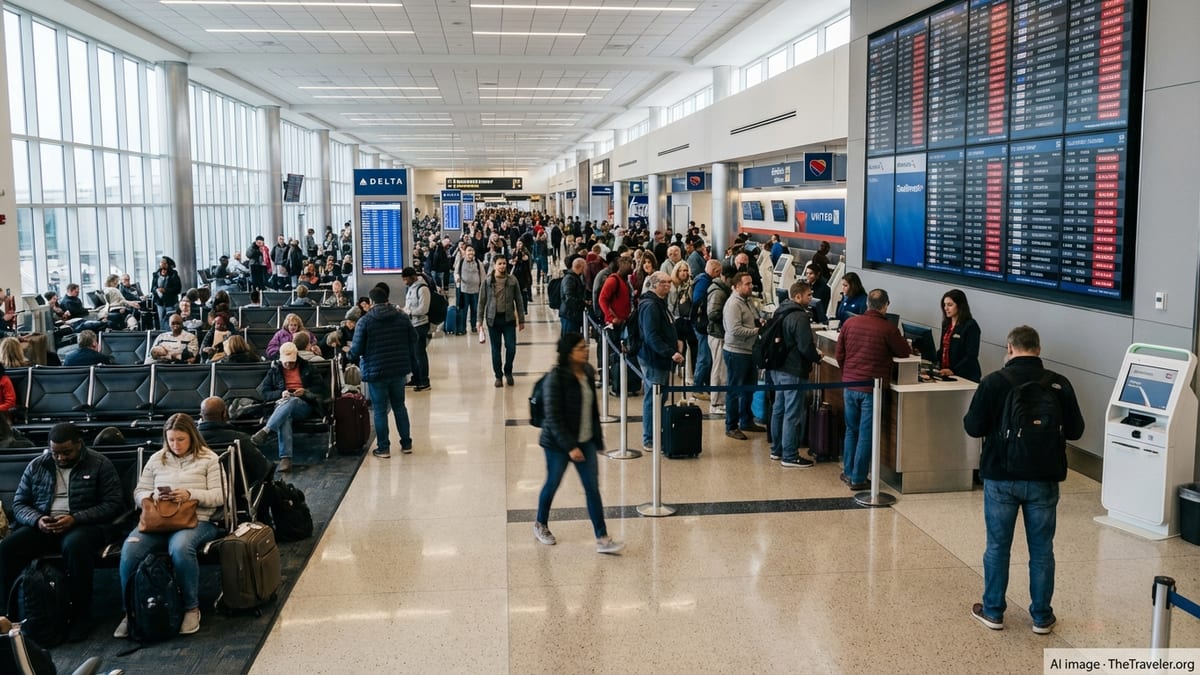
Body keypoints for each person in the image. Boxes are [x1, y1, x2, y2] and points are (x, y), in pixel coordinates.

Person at [964, 325, 1085, 635]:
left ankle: (993, 611)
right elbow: (1076, 431)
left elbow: (972, 427)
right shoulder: (1058, 384)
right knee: (1042, 549)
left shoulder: (993, 383)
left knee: (997, 547)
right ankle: (1042, 617)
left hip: (1000, 477)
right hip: (1044, 479)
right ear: (1038, 349)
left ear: (1009, 348)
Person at [0, 422, 125, 641]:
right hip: (45, 524)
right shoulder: (38, 465)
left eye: (66, 452)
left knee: (75, 546)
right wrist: (37, 519)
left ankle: (81, 615)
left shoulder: (99, 464)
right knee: (7, 549)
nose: (60, 458)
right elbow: (20, 504)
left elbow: (113, 504)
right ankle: (8, 614)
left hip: (84, 525)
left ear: (79, 444)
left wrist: (75, 518)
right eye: (55, 453)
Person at [114, 414, 224, 639]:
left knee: (181, 549)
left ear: (192, 437)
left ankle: (191, 608)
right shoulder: (157, 459)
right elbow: (139, 492)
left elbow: (220, 495)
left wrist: (190, 494)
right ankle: (131, 611)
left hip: (197, 520)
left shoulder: (209, 459)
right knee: (130, 551)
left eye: (181, 440)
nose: (176, 445)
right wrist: (151, 495)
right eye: (171, 440)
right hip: (158, 521)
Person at [533, 332, 625, 555]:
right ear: (568, 353)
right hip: (557, 443)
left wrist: (596, 439)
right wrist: (570, 446)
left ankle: (602, 538)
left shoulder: (587, 372)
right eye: (580, 348)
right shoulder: (556, 379)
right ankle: (540, 523)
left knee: (592, 488)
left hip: (584, 441)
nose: (586, 350)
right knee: (553, 482)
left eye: (585, 347)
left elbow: (591, 410)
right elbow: (553, 418)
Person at [835, 289, 911, 491]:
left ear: (867, 304)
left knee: (852, 430)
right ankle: (859, 478)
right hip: (871, 389)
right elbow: (904, 352)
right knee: (866, 434)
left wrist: (847, 374)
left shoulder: (850, 323)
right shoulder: (888, 329)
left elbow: (839, 353)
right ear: (885, 305)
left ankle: (849, 472)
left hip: (849, 385)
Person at [349, 285, 417, 458]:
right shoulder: (402, 317)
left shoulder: (365, 321)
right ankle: (407, 443)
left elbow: (356, 349)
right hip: (398, 369)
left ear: (371, 302)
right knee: (399, 407)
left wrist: (350, 353)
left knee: (379, 410)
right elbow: (413, 339)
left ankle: (384, 448)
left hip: (376, 370)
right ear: (387, 298)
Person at [768, 281, 821, 468]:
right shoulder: (800, 317)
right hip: (793, 370)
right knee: (792, 413)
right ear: (798, 297)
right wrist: (817, 357)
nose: (811, 298)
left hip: (777, 368)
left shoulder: (780, 310)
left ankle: (777, 449)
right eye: (808, 295)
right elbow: (805, 346)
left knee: (779, 409)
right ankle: (790, 455)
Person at [253, 342, 328, 473]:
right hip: (281, 405)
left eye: (291, 362)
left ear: (296, 358)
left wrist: (305, 392)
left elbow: (321, 389)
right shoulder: (275, 370)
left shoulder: (308, 368)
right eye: (285, 362)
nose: (288, 365)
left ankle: (267, 430)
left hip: (304, 405)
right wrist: (280, 394)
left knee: (291, 401)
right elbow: (264, 392)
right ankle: (286, 459)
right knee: (285, 415)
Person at [638, 272, 685, 450]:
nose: (668, 285)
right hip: (654, 359)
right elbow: (651, 336)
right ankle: (649, 437)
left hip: (660, 358)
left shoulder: (659, 303)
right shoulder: (651, 306)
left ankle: (656, 431)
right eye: (664, 282)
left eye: (669, 282)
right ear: (655, 284)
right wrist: (670, 352)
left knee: (660, 397)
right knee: (654, 398)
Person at [196, 397, 272, 492]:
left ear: (201, 416)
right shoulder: (240, 438)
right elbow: (261, 468)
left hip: (199, 490)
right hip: (235, 492)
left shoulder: (190, 440)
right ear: (224, 414)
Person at [722, 272, 764, 440]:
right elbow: (735, 330)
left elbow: (751, 320)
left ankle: (746, 420)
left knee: (749, 388)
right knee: (734, 390)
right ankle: (731, 425)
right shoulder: (733, 304)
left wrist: (758, 322)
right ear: (737, 286)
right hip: (736, 351)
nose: (750, 286)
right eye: (747, 284)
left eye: (751, 283)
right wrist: (757, 331)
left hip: (749, 351)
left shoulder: (747, 301)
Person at [477, 255, 525, 387]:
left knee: (511, 348)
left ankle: (508, 371)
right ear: (494, 265)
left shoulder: (512, 280)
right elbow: (481, 302)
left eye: (504, 263)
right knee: (495, 349)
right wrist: (479, 321)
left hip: (508, 319)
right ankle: (498, 375)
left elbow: (519, 300)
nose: (503, 266)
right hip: (493, 320)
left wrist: (521, 319)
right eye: (500, 264)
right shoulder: (487, 281)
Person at [705, 264, 735, 413]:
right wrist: (729, 317)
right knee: (719, 370)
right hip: (717, 334)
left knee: (720, 369)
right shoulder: (719, 292)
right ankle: (716, 403)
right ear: (726, 277)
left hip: (717, 333)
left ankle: (718, 400)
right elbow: (712, 313)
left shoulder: (720, 289)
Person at [934, 289, 982, 382]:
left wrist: (953, 370)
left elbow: (971, 356)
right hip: (946, 373)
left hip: (965, 376)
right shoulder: (946, 324)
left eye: (950, 305)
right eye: (944, 305)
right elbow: (943, 349)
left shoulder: (970, 326)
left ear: (960, 306)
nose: (946, 308)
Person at [399, 268, 432, 391]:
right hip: (412, 325)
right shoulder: (411, 289)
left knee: (420, 354)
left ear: (412, 277)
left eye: (405, 279)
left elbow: (424, 309)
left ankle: (424, 381)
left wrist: (409, 312)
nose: (404, 282)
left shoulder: (423, 289)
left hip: (420, 325)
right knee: (412, 354)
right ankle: (416, 377)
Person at [454, 246, 484, 336]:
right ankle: (462, 328)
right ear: (465, 252)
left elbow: (482, 275)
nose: (471, 252)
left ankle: (474, 326)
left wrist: (483, 286)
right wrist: (457, 278)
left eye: (472, 250)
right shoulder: (461, 261)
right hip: (464, 290)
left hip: (475, 290)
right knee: (464, 310)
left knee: (475, 309)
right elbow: (456, 272)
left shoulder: (478, 262)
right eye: (469, 250)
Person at [152, 256, 183, 329]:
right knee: (161, 320)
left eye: (164, 263)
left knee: (171, 320)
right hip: (159, 302)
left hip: (170, 302)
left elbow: (178, 289)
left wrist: (165, 290)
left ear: (168, 265)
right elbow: (152, 288)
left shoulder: (174, 275)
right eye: (161, 262)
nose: (161, 264)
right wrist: (157, 290)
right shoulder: (156, 274)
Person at [559, 257, 588, 336]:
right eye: (585, 267)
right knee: (569, 340)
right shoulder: (569, 279)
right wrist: (583, 303)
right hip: (569, 315)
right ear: (580, 267)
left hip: (572, 315)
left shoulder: (575, 277)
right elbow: (569, 298)